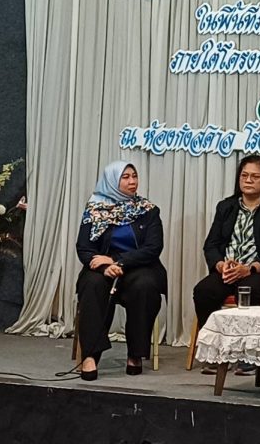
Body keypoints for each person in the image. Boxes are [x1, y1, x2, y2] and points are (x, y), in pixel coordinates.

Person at [193, 155, 260, 374]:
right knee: (204, 290)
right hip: (228, 272)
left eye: (255, 176)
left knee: (248, 289)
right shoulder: (226, 207)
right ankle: (215, 352)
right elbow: (211, 245)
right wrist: (220, 265)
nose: (248, 180)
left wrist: (249, 268)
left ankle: (249, 355)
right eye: (244, 175)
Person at [75, 161, 165, 381]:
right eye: (125, 177)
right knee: (92, 284)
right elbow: (84, 248)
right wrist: (106, 266)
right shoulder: (95, 209)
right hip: (102, 268)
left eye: (134, 176)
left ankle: (135, 353)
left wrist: (118, 261)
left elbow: (153, 248)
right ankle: (90, 355)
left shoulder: (148, 211)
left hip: (138, 265)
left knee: (145, 286)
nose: (132, 181)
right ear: (112, 181)